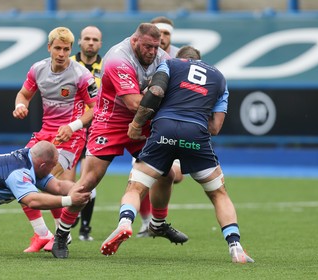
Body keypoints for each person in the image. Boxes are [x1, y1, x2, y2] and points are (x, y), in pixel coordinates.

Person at [100, 46, 254, 263]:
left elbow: (156, 92)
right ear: (199, 60)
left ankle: (125, 223)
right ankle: (235, 247)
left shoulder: (170, 64)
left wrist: (137, 123)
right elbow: (215, 128)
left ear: (180, 58)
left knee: (136, 187)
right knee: (219, 194)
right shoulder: (219, 78)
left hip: (164, 129)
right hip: (196, 133)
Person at [51, 23, 188, 259]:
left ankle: (157, 222)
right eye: (147, 46)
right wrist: (158, 93)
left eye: (156, 47)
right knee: (88, 183)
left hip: (143, 123)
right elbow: (135, 103)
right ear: (135, 41)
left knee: (166, 173)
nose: (152, 52)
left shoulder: (162, 57)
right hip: (110, 122)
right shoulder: (118, 58)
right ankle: (61, 234)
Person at [12, 27, 98, 252]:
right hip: (45, 133)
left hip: (72, 135)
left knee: (47, 178)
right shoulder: (38, 69)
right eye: (57, 48)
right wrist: (21, 105)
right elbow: (24, 94)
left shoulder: (81, 74)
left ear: (71, 49)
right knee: (18, 175)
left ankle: (62, 233)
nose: (61, 53)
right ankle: (42, 234)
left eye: (66, 49)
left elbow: (95, 108)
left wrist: (73, 126)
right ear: (49, 47)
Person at [136, 16, 183, 238]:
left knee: (174, 175)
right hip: (146, 124)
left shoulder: (179, 57)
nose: (163, 38)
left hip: (170, 124)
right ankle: (148, 223)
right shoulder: (140, 55)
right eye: (159, 34)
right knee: (143, 174)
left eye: (166, 35)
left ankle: (155, 219)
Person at [68, 25, 103, 241]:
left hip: (96, 130)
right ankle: (70, 219)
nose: (90, 42)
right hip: (70, 129)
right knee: (67, 181)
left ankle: (85, 229)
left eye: (95, 39)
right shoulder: (67, 63)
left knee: (89, 179)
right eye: (87, 39)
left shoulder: (108, 67)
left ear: (100, 44)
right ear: (79, 42)